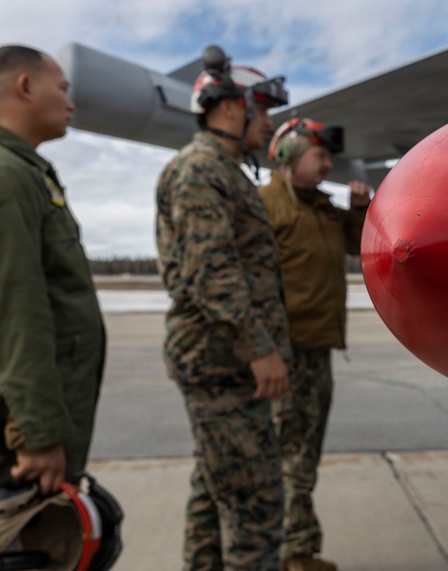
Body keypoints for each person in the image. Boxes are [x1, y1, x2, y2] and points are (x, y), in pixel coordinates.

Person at [0, 45, 107, 571]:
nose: (71, 103)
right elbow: (10, 312)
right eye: (62, 88)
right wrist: (35, 435)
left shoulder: (21, 171)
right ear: (25, 87)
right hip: (9, 429)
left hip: (21, 419)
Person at [155, 44, 292, 571]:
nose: (269, 121)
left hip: (224, 359)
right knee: (255, 506)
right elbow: (212, 272)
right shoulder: (198, 171)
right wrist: (259, 348)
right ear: (231, 105)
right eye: (263, 108)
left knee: (215, 492)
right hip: (222, 363)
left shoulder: (226, 171)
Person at [258, 118, 371, 571]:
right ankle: (290, 551)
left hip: (317, 350)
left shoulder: (325, 208)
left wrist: (359, 210)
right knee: (289, 456)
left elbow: (359, 247)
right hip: (284, 353)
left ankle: (297, 548)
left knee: (305, 454)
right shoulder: (265, 205)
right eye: (319, 156)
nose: (328, 165)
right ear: (288, 158)